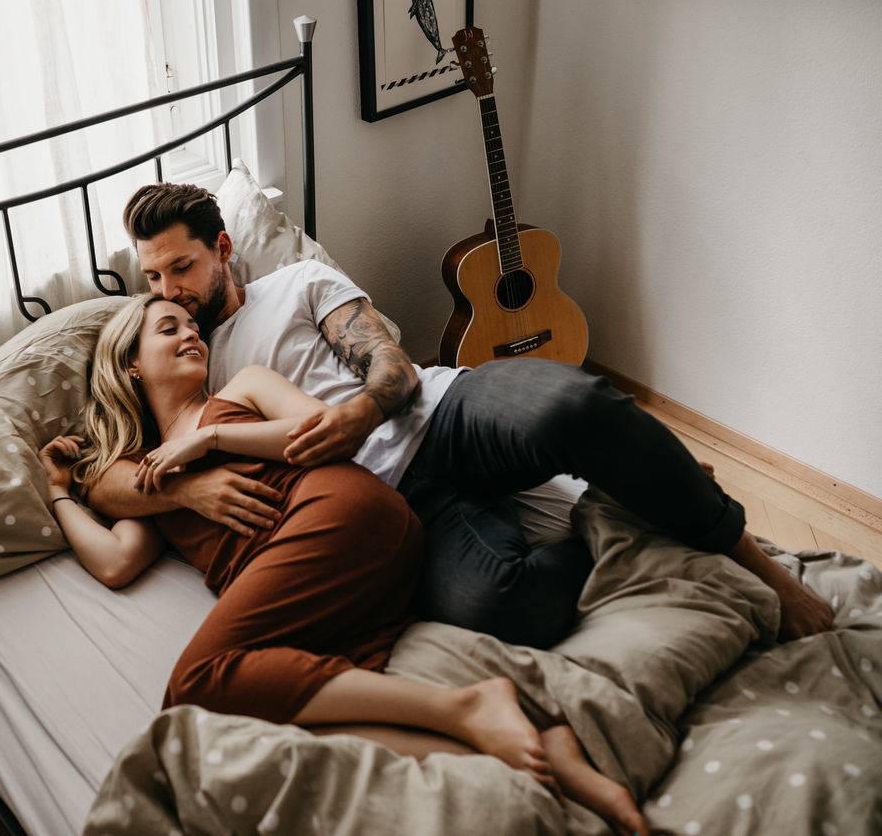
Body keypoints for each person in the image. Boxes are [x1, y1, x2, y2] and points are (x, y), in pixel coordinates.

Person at [85, 182, 835, 648]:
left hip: (443, 412)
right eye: (152, 276)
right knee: (510, 607)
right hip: (400, 505)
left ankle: (763, 566)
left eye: (181, 267)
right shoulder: (173, 360)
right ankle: (619, 505)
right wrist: (184, 489)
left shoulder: (299, 283)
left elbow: (391, 367)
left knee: (574, 403)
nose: (170, 291)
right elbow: (110, 479)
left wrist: (356, 418)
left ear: (222, 249)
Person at [39, 293, 649, 835]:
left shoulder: (240, 391)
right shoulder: (142, 470)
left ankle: (469, 707)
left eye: (190, 325)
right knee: (285, 717)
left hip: (336, 514)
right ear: (131, 364)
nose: (191, 333)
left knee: (195, 686)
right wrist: (59, 491)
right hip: (334, 580)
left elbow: (319, 427)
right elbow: (118, 562)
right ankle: (538, 750)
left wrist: (214, 440)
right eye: (168, 329)